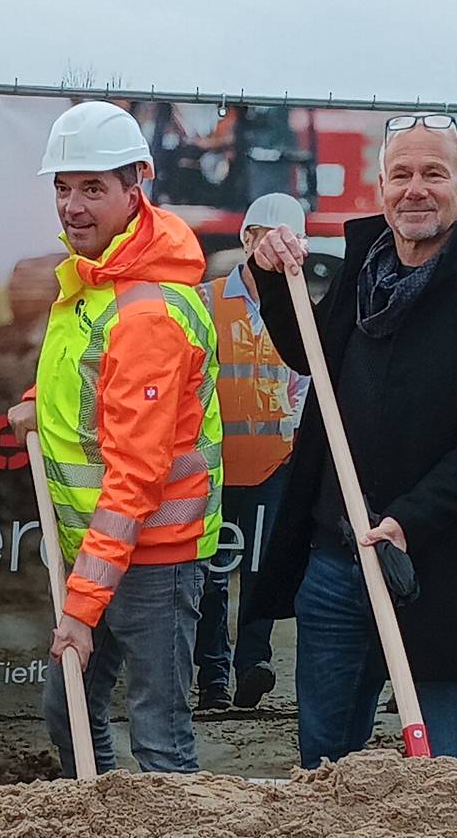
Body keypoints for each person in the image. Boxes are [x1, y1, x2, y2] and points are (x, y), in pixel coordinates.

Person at [245, 112, 457, 767]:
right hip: (335, 561)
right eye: (401, 175)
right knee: (328, 762)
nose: (416, 189)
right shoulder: (363, 274)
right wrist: (273, 278)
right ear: (381, 188)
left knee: (448, 766)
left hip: (435, 568)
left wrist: (407, 522)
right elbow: (312, 361)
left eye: (434, 174)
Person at [11, 100, 223, 775]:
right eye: (63, 187)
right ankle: (102, 811)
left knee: (160, 740)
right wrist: (34, 400)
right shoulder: (97, 275)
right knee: (66, 710)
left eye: (93, 189)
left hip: (153, 557)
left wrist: (80, 607)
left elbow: (135, 474)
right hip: (102, 549)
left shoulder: (150, 310)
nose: (72, 207)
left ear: (138, 185)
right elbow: (86, 377)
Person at [195, 191, 312, 712]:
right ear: (248, 239)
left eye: (294, 241)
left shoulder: (303, 308)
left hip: (273, 464)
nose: (284, 250)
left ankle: (251, 669)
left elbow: (308, 386)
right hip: (213, 464)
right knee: (212, 574)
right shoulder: (205, 301)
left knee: (263, 569)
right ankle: (214, 681)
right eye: (273, 238)